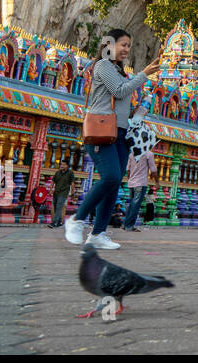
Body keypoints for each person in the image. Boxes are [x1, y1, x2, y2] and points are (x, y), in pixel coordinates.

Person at [65, 30, 161, 251]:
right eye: (123, 45)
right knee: (110, 177)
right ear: (109, 44)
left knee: (115, 183)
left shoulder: (119, 71)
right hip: (101, 131)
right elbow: (119, 92)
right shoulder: (103, 66)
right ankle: (76, 220)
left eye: (129, 46)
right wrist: (144, 74)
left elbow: (121, 100)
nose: (126, 49)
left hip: (120, 133)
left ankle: (97, 234)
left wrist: (138, 111)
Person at [122, 145, 157, 232]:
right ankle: (129, 226)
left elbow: (128, 169)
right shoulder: (149, 154)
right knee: (135, 205)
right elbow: (153, 169)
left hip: (131, 183)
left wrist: (130, 180)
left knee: (131, 205)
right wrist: (157, 182)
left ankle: (125, 224)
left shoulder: (132, 154)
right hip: (141, 183)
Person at [48, 161, 74, 228]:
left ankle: (54, 222)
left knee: (59, 207)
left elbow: (72, 183)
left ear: (67, 165)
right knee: (56, 207)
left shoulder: (70, 173)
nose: (62, 166)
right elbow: (53, 181)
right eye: (61, 164)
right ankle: (59, 222)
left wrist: (72, 192)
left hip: (64, 193)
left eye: (64, 164)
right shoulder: (58, 172)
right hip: (56, 192)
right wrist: (50, 190)